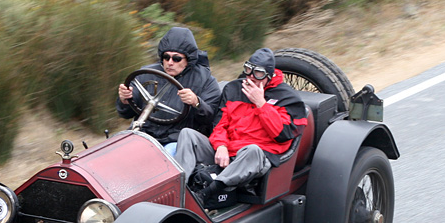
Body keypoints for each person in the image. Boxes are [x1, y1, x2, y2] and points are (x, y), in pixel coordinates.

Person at [175, 47, 307, 206]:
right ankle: (179, 187)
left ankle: (207, 193)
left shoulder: (287, 98)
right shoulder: (233, 89)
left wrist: (261, 104)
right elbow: (219, 124)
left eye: (258, 74)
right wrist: (221, 145)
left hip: (257, 156)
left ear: (269, 76)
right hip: (228, 150)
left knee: (252, 150)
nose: (251, 77)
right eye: (248, 70)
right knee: (188, 134)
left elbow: (283, 134)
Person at [117, 27, 221, 155]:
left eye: (176, 59)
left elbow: (212, 118)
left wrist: (196, 103)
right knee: (115, 151)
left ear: (188, 60)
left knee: (165, 155)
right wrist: (125, 100)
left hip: (177, 140)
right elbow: (125, 113)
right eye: (166, 57)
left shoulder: (205, 81)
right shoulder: (146, 74)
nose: (170, 62)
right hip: (144, 134)